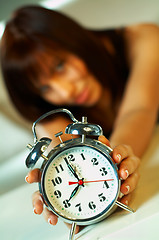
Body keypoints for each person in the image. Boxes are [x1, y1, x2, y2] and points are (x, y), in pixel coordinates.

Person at [0, 5, 159, 232]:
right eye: (45, 87)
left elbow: (139, 110)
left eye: (60, 65)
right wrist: (61, 196)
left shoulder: (143, 38)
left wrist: (116, 163)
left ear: (72, 38)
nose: (64, 91)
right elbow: (63, 159)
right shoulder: (50, 115)